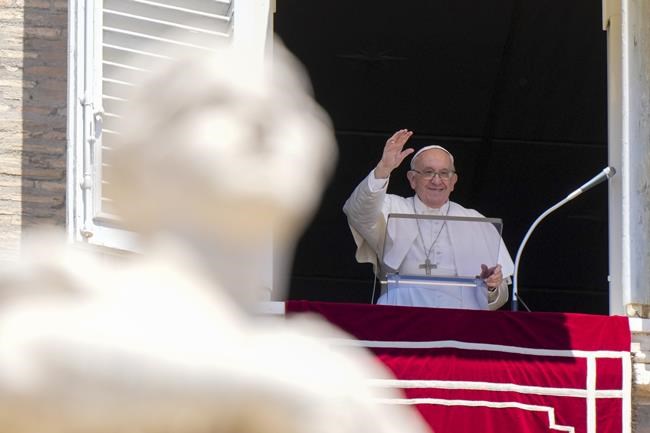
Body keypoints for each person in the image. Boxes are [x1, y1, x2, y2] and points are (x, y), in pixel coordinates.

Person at [343, 129, 514, 310]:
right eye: (428, 172)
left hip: (460, 317)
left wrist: (492, 286)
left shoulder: (476, 221)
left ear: (454, 181)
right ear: (412, 179)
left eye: (444, 173)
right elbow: (359, 212)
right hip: (401, 310)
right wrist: (384, 169)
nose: (436, 180)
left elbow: (499, 296)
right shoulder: (392, 208)